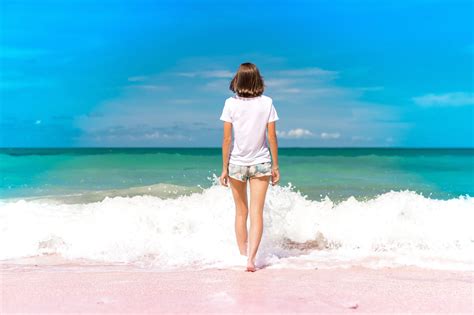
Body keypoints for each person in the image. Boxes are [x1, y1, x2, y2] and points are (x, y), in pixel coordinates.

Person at [219, 62, 280, 272]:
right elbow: (272, 136)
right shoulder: (267, 103)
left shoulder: (230, 103)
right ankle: (251, 260)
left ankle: (242, 255)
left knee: (240, 213)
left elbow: (227, 139)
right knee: (256, 213)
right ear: (257, 80)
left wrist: (224, 168)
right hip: (261, 162)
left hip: (236, 163)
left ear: (238, 80)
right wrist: (276, 165)